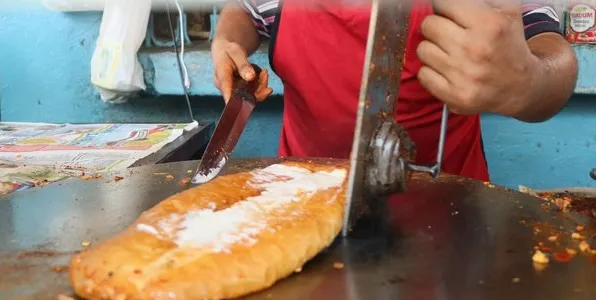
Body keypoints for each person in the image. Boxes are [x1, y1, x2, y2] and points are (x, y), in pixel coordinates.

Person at [211, 0, 578, 181]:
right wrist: (228, 39)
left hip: (449, 208)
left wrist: (529, 81)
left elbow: (550, 50)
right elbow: (243, 11)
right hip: (299, 197)